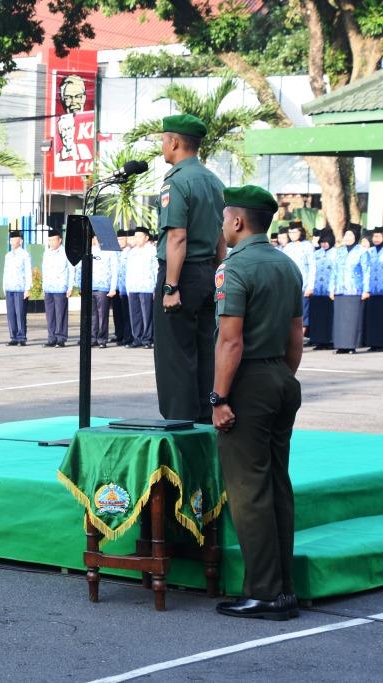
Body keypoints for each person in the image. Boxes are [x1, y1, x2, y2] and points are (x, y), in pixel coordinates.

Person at [212, 185, 303, 621]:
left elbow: (230, 341)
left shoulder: (235, 268)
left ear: (237, 221)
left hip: (247, 381)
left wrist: (220, 397)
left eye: (224, 218)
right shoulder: (287, 265)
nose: (222, 226)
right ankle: (283, 588)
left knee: (248, 491)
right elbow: (295, 335)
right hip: (281, 378)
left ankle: (264, 592)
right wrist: (282, 377)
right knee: (277, 484)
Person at [153, 114, 225, 423]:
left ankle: (180, 425)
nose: (163, 146)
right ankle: (205, 421)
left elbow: (177, 236)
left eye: (164, 140)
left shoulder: (177, 181)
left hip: (182, 274)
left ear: (175, 142)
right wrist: (219, 277)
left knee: (176, 355)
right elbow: (222, 236)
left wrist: (171, 286)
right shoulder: (214, 181)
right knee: (206, 351)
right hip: (208, 274)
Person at [329, 225, 370, 354]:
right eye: (346, 235)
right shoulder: (338, 251)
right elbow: (334, 271)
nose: (347, 238)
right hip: (340, 289)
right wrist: (331, 288)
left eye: (350, 235)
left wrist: (366, 290)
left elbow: (366, 271)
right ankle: (341, 345)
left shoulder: (362, 251)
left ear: (356, 237)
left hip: (355, 290)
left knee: (352, 320)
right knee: (339, 320)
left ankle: (351, 346)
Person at [282, 220, 316, 338]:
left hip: (303, 285)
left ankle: (299, 340)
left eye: (294, 232)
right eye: (290, 232)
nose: (291, 234)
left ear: (300, 232)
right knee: (288, 314)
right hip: (288, 286)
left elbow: (312, 266)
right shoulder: (287, 247)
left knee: (302, 315)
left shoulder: (307, 246)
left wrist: (310, 286)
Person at [126, 227, 158, 348]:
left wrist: (155, 288)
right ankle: (137, 338)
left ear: (146, 237)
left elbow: (155, 269)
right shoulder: (132, 252)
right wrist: (128, 287)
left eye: (139, 236)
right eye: (135, 236)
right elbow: (128, 271)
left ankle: (147, 339)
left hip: (147, 287)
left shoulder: (152, 251)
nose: (137, 239)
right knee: (135, 314)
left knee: (147, 315)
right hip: (133, 286)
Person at [42, 227, 73, 347]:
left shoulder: (65, 252)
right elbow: (44, 270)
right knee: (50, 315)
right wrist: (44, 287)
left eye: (53, 240)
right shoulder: (47, 253)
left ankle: (61, 338)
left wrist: (70, 287)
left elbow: (71, 270)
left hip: (61, 288)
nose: (51, 243)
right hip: (49, 288)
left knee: (61, 314)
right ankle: (51, 338)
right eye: (49, 240)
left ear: (60, 240)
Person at [308, 229, 336, 350]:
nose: (324, 244)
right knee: (317, 317)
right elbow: (312, 272)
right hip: (317, 291)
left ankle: (329, 341)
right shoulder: (316, 254)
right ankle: (318, 340)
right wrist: (310, 287)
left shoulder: (336, 253)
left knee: (329, 317)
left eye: (326, 241)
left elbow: (337, 272)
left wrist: (333, 289)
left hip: (329, 292)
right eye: (322, 241)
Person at [88, 236, 118, 348]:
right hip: (91, 286)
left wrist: (112, 288)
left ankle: (102, 339)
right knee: (92, 315)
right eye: (95, 238)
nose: (97, 240)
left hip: (104, 287)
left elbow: (114, 270)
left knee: (102, 315)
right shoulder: (90, 251)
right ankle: (92, 338)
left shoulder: (110, 251)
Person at [111, 230, 133, 347]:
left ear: (127, 239)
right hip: (116, 287)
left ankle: (127, 336)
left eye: (122, 239)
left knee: (126, 314)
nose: (119, 242)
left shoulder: (130, 253)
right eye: (118, 240)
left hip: (125, 288)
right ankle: (118, 334)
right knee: (116, 313)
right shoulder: (115, 253)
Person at [364, 227, 383, 351]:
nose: (375, 239)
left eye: (378, 236)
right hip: (371, 290)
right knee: (372, 318)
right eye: (374, 236)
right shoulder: (369, 252)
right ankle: (373, 343)